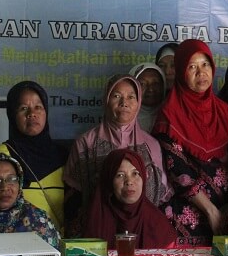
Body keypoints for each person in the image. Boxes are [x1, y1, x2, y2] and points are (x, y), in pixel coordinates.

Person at [153, 39, 228, 245]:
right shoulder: (170, 114)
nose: (200, 72)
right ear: (180, 72)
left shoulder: (223, 110)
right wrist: (211, 212)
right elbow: (178, 170)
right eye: (192, 67)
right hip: (188, 215)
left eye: (205, 65)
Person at [63, 74, 169, 236]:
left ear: (138, 102)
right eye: (117, 96)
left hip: (142, 232)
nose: (124, 103)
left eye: (131, 97)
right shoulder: (86, 143)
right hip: (99, 231)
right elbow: (73, 197)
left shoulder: (151, 145)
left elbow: (161, 198)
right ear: (106, 100)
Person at [0, 81, 68, 231]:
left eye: (38, 107)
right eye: (23, 108)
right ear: (12, 115)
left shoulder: (65, 156)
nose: (31, 114)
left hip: (60, 246)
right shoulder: (1, 156)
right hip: (16, 246)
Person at [84, 148, 177, 249]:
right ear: (109, 181)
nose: (129, 181)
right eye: (120, 175)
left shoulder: (159, 226)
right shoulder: (96, 222)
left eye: (135, 173)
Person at [130, 63, 167, 132]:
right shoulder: (124, 118)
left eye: (155, 83)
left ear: (163, 85)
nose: (150, 89)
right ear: (132, 87)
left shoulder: (171, 116)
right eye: (143, 84)